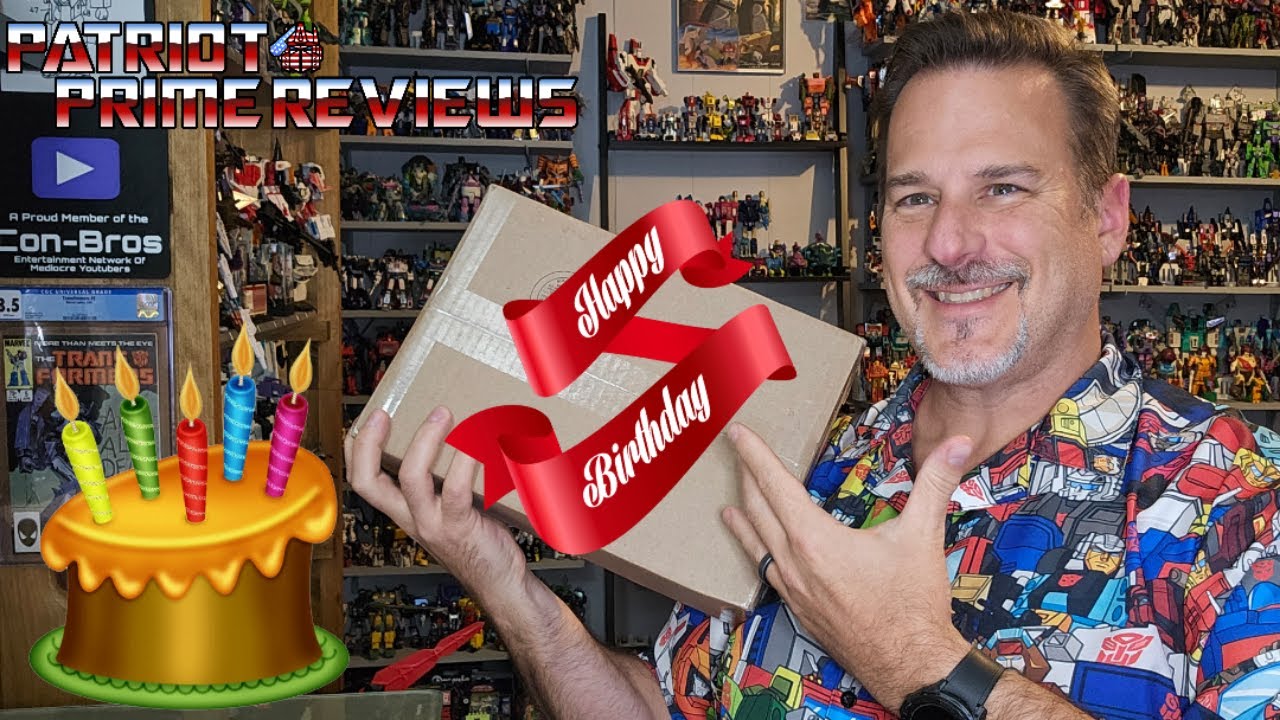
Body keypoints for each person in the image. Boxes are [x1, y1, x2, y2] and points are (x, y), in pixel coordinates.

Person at [348, 10, 1280, 720]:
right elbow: (662, 706)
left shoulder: (1234, 511)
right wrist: (507, 587)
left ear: (1107, 218)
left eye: (1003, 188)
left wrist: (917, 662)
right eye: (914, 198)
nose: (949, 244)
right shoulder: (812, 462)